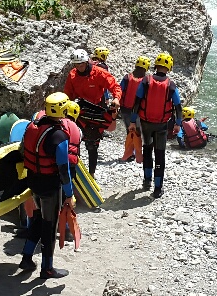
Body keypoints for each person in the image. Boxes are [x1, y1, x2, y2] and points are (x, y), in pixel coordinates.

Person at [18, 92, 75, 279]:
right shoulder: (59, 136)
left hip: (33, 181)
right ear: (62, 109)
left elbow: (22, 149)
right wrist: (69, 194)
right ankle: (47, 268)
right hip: (50, 187)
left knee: (38, 219)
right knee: (49, 227)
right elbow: (63, 169)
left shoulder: (32, 126)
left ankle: (27, 257)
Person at [64, 48, 121, 177]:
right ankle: (73, 169)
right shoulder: (72, 75)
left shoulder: (99, 73)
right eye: (77, 64)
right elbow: (68, 93)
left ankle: (91, 173)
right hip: (79, 112)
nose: (79, 67)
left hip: (95, 112)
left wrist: (116, 98)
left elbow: (115, 86)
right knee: (73, 140)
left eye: (81, 64)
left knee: (92, 145)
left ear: (87, 62)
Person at [133, 52, 182, 198]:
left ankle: (147, 181)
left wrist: (132, 121)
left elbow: (136, 102)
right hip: (161, 125)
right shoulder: (171, 85)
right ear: (169, 67)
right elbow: (178, 106)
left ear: (156, 65)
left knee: (147, 150)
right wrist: (178, 124)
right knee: (160, 154)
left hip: (145, 123)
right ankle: (157, 188)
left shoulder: (146, 80)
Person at [117, 55, 150, 162]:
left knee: (129, 131)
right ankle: (138, 154)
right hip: (138, 111)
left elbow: (120, 90)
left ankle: (129, 153)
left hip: (125, 109)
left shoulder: (127, 77)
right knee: (138, 132)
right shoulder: (146, 81)